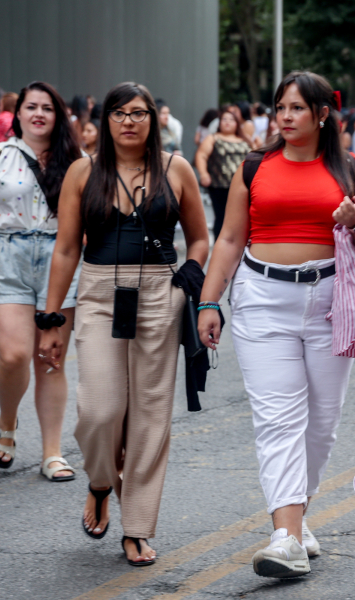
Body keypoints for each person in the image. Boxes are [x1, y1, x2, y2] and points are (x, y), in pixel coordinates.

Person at [197, 71, 355, 579]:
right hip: (262, 299)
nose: (286, 117)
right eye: (280, 108)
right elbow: (229, 239)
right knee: (279, 420)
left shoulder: (351, 169)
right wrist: (209, 301)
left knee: (322, 423)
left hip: (331, 300)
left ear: (321, 114)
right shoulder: (254, 167)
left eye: (296, 108)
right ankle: (286, 536)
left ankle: (297, 515)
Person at [38, 81, 209, 565]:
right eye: (119, 112)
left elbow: (199, 239)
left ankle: (136, 526)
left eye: (139, 113)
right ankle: (98, 481)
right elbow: (68, 248)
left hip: (160, 295)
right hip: (98, 293)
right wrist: (52, 320)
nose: (129, 121)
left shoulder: (176, 169)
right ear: (106, 120)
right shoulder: (82, 172)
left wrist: (190, 276)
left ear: (153, 120)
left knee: (151, 415)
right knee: (99, 409)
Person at [0, 81, 83, 479]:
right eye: (30, 106)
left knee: (51, 360)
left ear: (58, 115)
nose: (38, 114)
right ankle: (7, 422)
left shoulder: (77, 161)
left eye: (46, 108)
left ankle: (52, 453)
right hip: (9, 259)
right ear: (17, 114)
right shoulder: (3, 156)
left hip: (60, 260)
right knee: (13, 354)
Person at [195, 106, 251, 240]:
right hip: (219, 185)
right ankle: (220, 246)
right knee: (222, 217)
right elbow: (201, 155)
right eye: (224, 119)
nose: (227, 122)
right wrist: (203, 173)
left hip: (243, 187)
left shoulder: (245, 140)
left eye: (231, 120)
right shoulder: (213, 138)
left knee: (242, 218)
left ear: (237, 123)